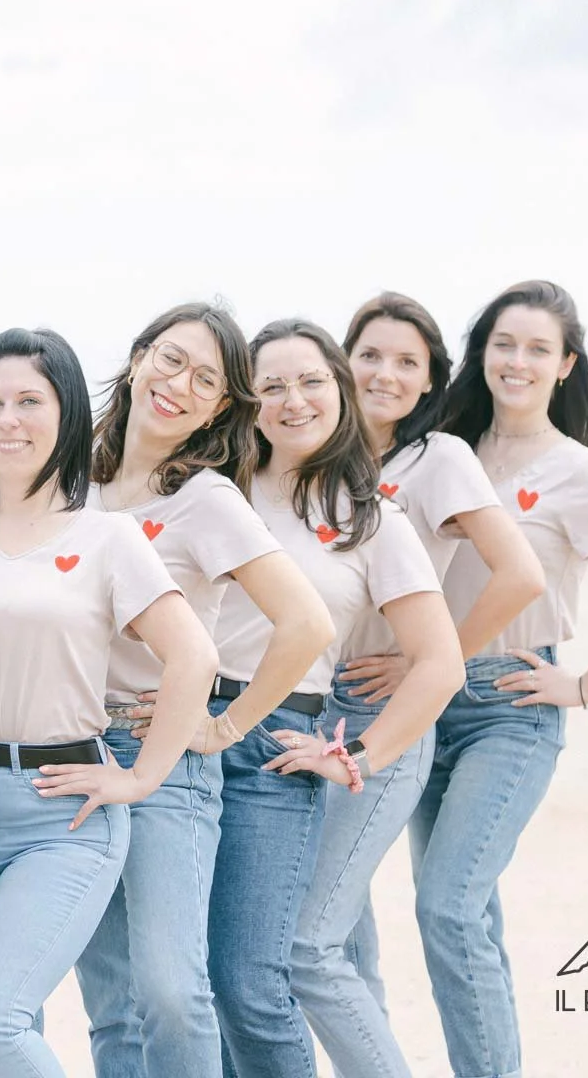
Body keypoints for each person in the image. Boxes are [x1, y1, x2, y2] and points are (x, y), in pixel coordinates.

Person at [414, 280, 588, 1078]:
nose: (517, 360)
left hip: (510, 709)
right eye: (504, 343)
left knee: (446, 907)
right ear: (482, 354)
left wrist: (580, 687)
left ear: (566, 365)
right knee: (469, 916)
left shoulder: (579, 473)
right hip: (426, 704)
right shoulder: (445, 449)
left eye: (539, 348)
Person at [0, 327, 219, 1078]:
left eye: (30, 400)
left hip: (62, 812)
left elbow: (195, 657)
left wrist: (143, 778)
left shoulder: (107, 537)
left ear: (67, 416)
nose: (8, 419)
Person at [286, 294, 543, 1078]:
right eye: (369, 354)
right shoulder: (314, 456)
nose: (384, 374)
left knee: (310, 942)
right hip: (306, 708)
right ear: (342, 360)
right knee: (344, 939)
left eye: (407, 362)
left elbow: (522, 573)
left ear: (430, 378)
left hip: (379, 714)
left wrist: (428, 657)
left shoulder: (437, 459)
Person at [73, 302, 333, 1078]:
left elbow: (307, 623)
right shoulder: (69, 480)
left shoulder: (206, 499)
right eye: (171, 359)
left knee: (172, 989)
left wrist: (223, 727)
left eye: (207, 380)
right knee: (111, 1000)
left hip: (167, 760)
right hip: (70, 752)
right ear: (140, 354)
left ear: (222, 407)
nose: (179, 384)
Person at [205, 318, 458, 1077]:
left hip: (276, 749)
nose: (292, 401)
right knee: (191, 977)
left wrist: (357, 756)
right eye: (271, 386)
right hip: (180, 738)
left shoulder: (370, 518)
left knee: (258, 976)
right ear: (245, 402)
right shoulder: (211, 494)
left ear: (339, 392)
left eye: (310, 381)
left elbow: (439, 663)